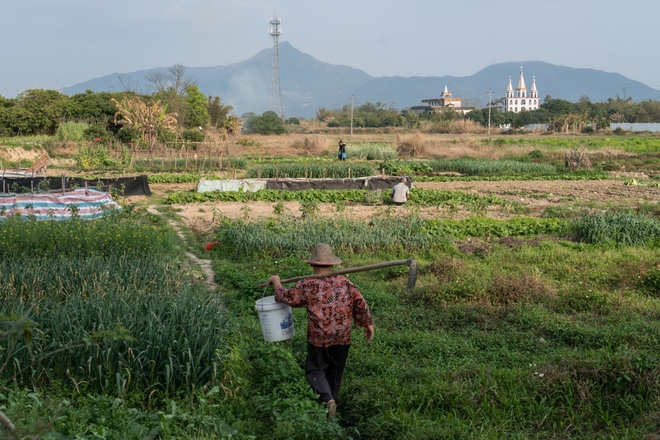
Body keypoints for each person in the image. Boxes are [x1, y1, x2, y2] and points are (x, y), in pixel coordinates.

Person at [268, 243, 374, 419]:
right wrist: (367, 324)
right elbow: (360, 302)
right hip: (342, 334)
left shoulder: (307, 284)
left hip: (319, 336)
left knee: (315, 369)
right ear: (331, 264)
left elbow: (285, 297)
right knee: (336, 370)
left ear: (312, 264)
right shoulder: (344, 282)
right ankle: (331, 405)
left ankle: (327, 400)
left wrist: (276, 281)